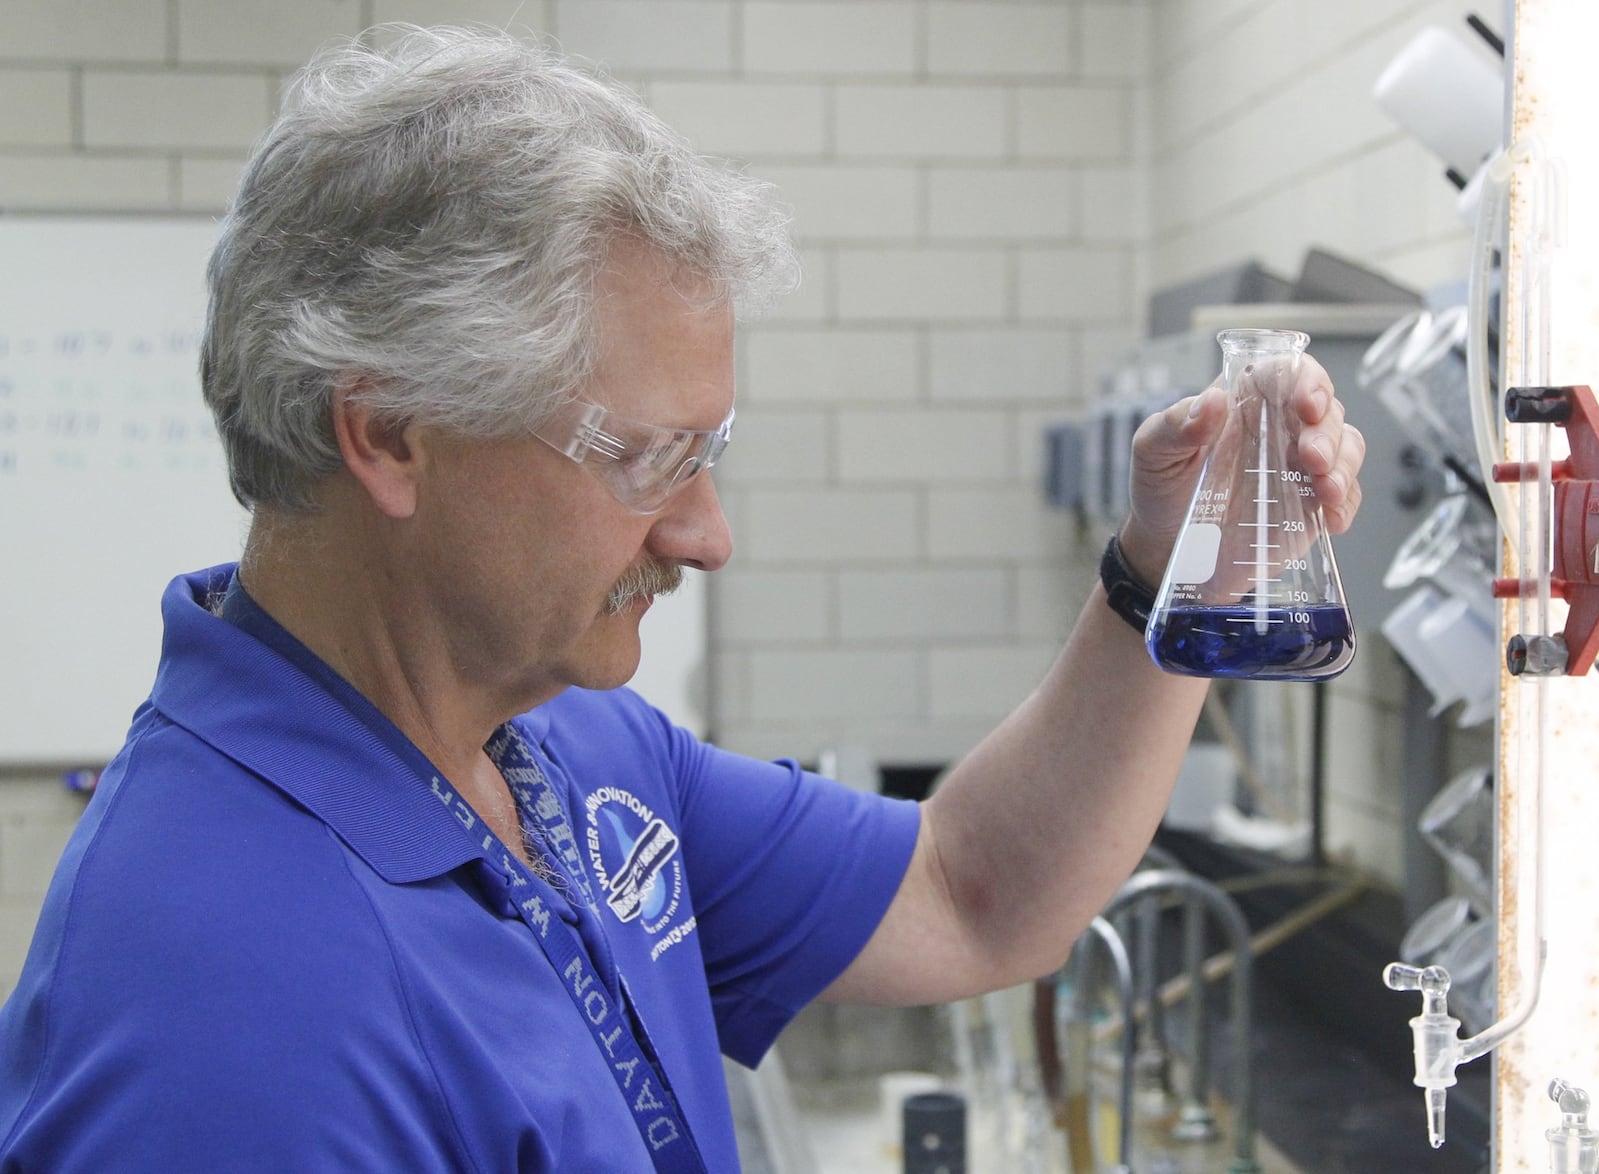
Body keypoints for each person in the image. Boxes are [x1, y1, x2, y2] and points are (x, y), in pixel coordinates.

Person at [0, 24, 1365, 1173]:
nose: (708, 535)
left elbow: (975, 891)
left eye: (708, 453)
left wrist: (1171, 574)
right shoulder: (222, 1006)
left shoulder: (557, 746)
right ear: (393, 433)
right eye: (646, 457)